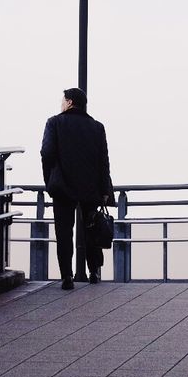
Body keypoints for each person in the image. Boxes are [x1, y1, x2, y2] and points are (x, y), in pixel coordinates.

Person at [40, 87, 113, 290]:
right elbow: (103, 161)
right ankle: (94, 271)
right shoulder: (97, 127)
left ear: (70, 102)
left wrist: (51, 179)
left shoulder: (54, 123)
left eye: (63, 100)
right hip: (91, 187)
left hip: (62, 186)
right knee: (92, 228)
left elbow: (47, 153)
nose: (61, 104)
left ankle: (67, 276)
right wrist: (104, 189)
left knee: (64, 231)